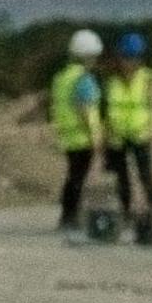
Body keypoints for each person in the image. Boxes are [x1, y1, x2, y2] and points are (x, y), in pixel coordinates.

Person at [99, 31, 152, 231]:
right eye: (126, 57)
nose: (129, 62)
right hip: (117, 137)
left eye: (134, 58)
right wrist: (105, 136)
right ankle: (126, 213)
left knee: (145, 175)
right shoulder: (111, 81)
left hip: (140, 133)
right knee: (122, 178)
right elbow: (106, 110)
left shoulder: (147, 79)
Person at [50, 27, 106, 231]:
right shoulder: (83, 78)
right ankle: (70, 217)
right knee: (78, 179)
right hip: (82, 137)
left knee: (73, 177)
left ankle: (67, 216)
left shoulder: (61, 77)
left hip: (67, 136)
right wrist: (96, 136)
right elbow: (87, 110)